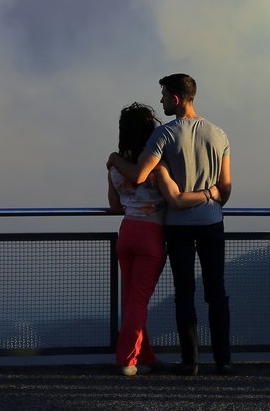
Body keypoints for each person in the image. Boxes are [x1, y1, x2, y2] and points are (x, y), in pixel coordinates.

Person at [107, 74, 232, 376]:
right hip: (212, 221)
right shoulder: (219, 134)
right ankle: (224, 360)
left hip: (175, 226)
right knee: (216, 291)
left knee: (183, 292)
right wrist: (210, 197)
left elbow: (137, 176)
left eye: (163, 95)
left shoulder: (162, 135)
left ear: (176, 99)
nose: (161, 100)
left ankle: (190, 362)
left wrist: (112, 158)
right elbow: (225, 188)